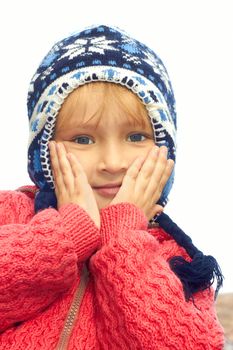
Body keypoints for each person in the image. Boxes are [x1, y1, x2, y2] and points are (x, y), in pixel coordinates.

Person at [0, 24, 224, 349]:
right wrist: (68, 234)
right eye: (83, 138)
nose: (113, 161)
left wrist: (123, 241)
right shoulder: (12, 214)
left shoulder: (174, 257)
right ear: (44, 149)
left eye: (135, 137)